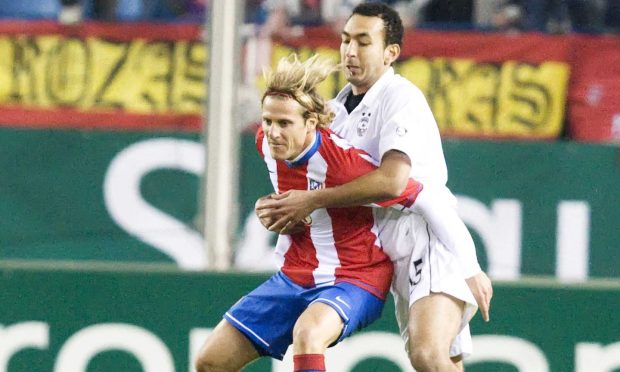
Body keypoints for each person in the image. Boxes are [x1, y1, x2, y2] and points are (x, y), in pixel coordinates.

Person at [255, 3, 493, 371]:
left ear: (390, 52)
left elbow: (394, 181)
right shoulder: (334, 112)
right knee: (443, 362)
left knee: (427, 355)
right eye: (346, 40)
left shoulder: (400, 98)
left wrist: (469, 265)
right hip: (387, 245)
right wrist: (289, 213)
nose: (350, 51)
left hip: (426, 233)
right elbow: (326, 185)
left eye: (364, 42)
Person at [195, 54, 426, 372]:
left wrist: (466, 264)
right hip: (294, 277)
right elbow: (295, 201)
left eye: (285, 123)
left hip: (355, 278)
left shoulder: (344, 163)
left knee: (308, 334)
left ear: (311, 123)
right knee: (209, 362)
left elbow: (417, 194)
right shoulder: (266, 145)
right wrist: (278, 215)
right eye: (268, 120)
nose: (273, 132)